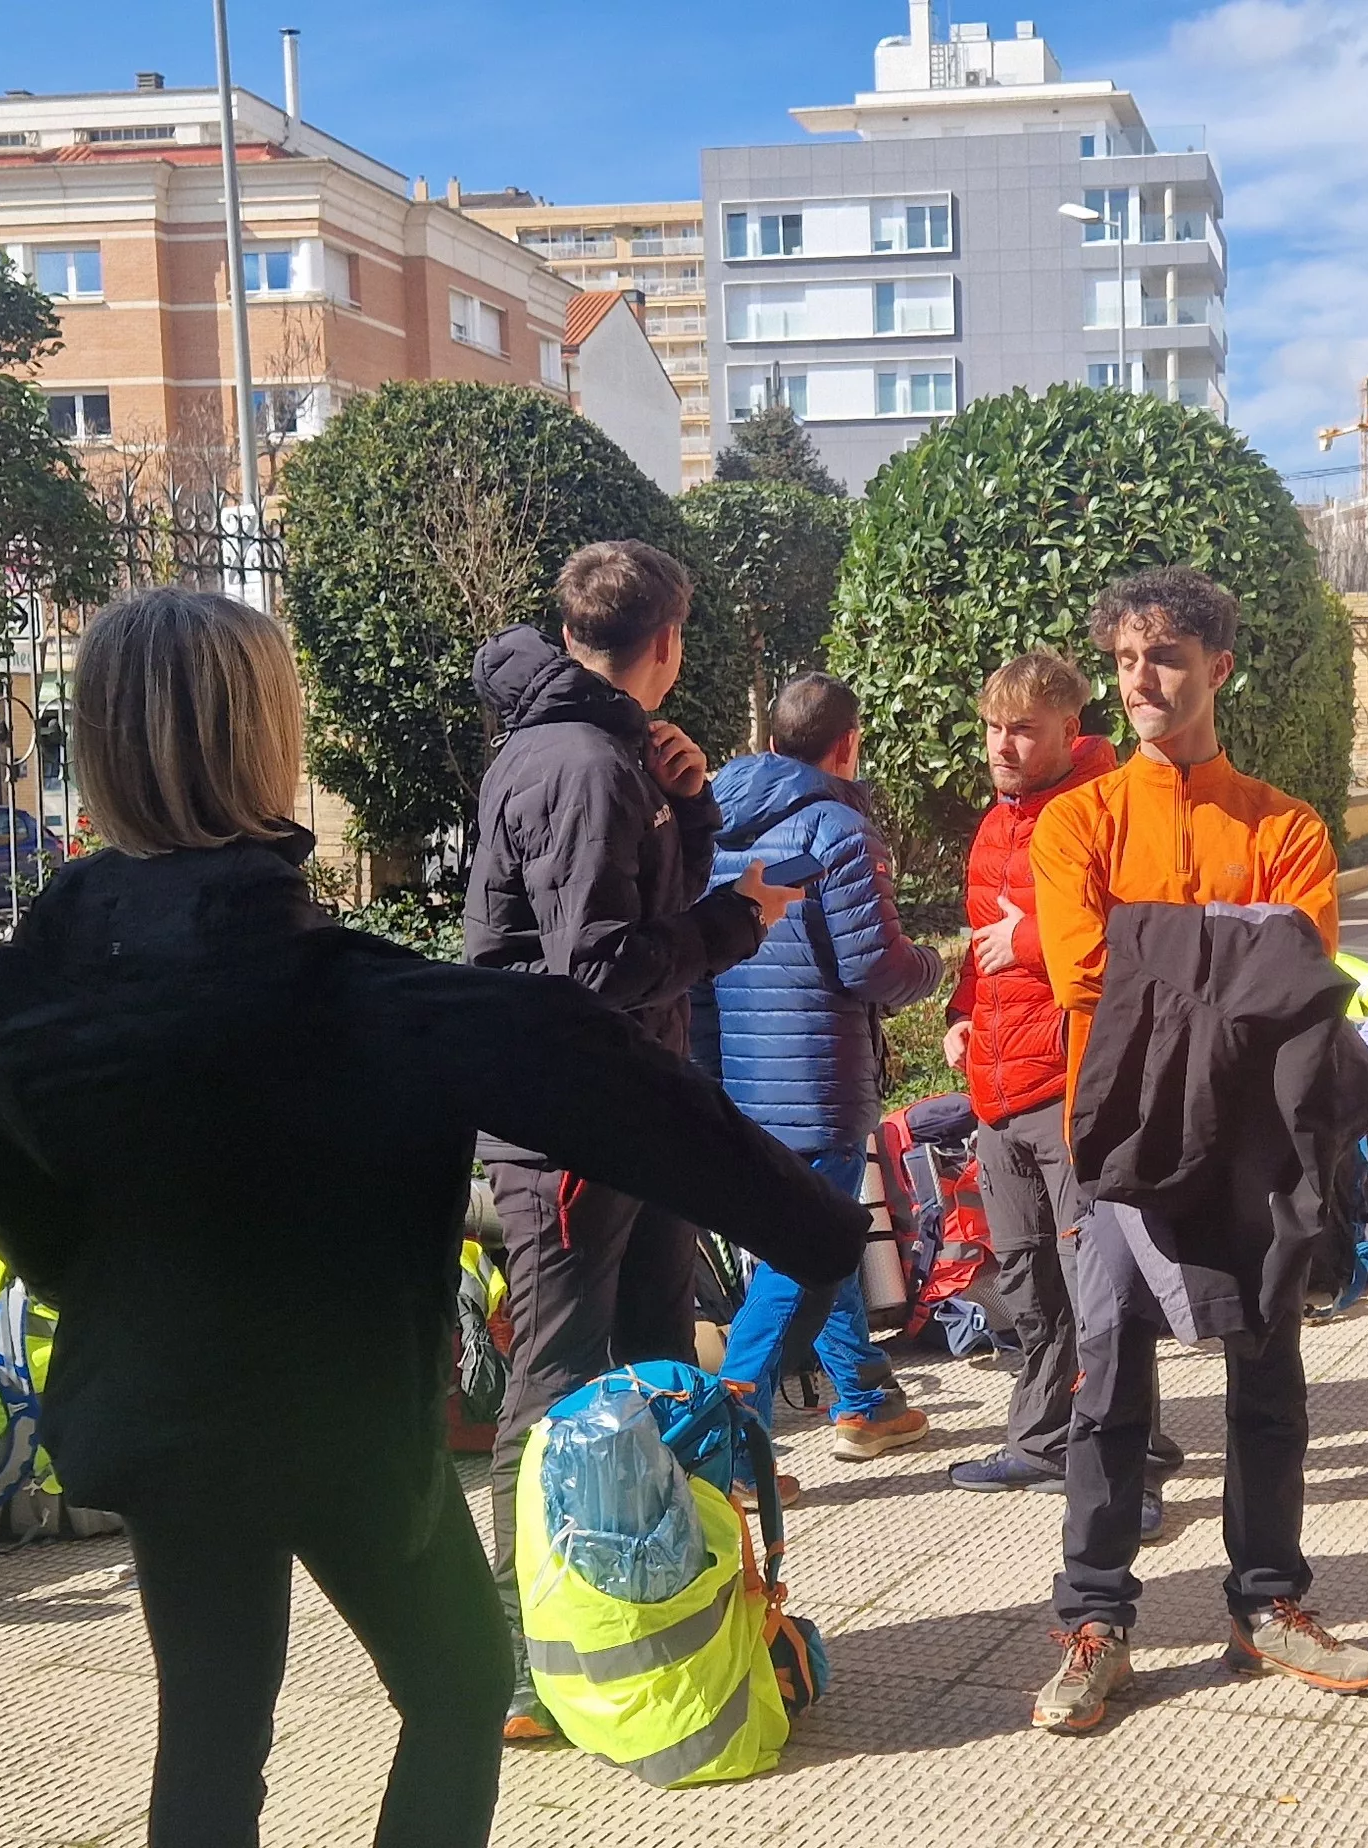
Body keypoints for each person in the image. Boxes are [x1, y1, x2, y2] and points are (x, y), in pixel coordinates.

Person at [0, 589, 865, 1848]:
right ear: (270, 741)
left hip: (159, 1416)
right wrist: (813, 1224)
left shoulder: (34, 1002)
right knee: (458, 1687)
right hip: (340, 1419)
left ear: (96, 749)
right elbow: (583, 1061)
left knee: (210, 1732)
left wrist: (118, 1296)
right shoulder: (359, 999)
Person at [1023, 567, 1368, 1734]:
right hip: (1120, 1144)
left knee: (1267, 1375)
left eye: (1166, 658)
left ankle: (1267, 1599)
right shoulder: (1077, 821)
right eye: (1127, 660)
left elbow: (1299, 976)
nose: (1142, 679)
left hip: (1254, 1144)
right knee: (1107, 1382)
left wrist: (1157, 948)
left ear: (1218, 669)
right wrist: (1228, 949)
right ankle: (1095, 1617)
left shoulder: (1284, 825)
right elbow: (1084, 971)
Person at [458, 539, 805, 1742]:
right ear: (666, 640)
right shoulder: (579, 763)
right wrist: (737, 921)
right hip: (570, 1120)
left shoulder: (607, 751)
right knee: (556, 1378)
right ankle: (520, 1662)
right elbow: (600, 968)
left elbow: (632, 910)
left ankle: (671, 1613)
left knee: (660, 1352)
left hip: (631, 1105)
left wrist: (694, 806)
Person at [941, 651, 1182, 1514]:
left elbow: (1139, 935)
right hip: (997, 1087)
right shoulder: (993, 823)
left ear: (1068, 731)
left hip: (1074, 1086)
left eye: (1022, 731)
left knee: (1105, 1291)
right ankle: (1040, 1442)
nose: (1001, 746)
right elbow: (982, 944)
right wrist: (960, 1014)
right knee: (1027, 1284)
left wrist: (1034, 942)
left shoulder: (1104, 812)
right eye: (992, 729)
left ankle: (1132, 1466)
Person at [700, 672, 945, 1460]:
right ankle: (730, 1451)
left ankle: (866, 1399)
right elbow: (875, 967)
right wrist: (934, 965)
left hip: (737, 1081)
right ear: (849, 744)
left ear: (772, 742)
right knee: (794, 1257)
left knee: (816, 1234)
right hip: (818, 1082)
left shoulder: (710, 826)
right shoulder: (837, 830)